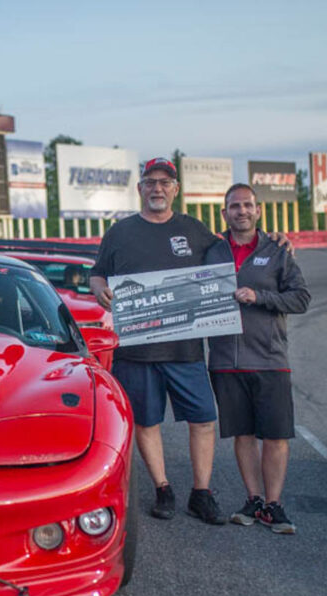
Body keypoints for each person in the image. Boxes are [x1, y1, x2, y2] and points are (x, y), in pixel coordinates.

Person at [89, 157, 227, 523]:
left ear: (175, 189)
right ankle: (163, 488)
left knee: (203, 419)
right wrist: (101, 289)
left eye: (165, 182)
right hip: (136, 350)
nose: (157, 188)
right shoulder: (120, 232)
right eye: (150, 182)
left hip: (186, 349)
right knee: (146, 422)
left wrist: (272, 241)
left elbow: (230, 255)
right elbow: (97, 275)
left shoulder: (195, 230)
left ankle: (202, 492)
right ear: (140, 189)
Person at [205, 183, 310, 534]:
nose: (242, 211)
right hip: (225, 361)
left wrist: (260, 296)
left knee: (276, 436)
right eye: (235, 206)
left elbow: (300, 299)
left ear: (258, 210)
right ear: (225, 213)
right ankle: (253, 500)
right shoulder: (211, 251)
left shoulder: (277, 251)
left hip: (270, 359)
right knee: (243, 435)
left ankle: (274, 504)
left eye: (248, 205)